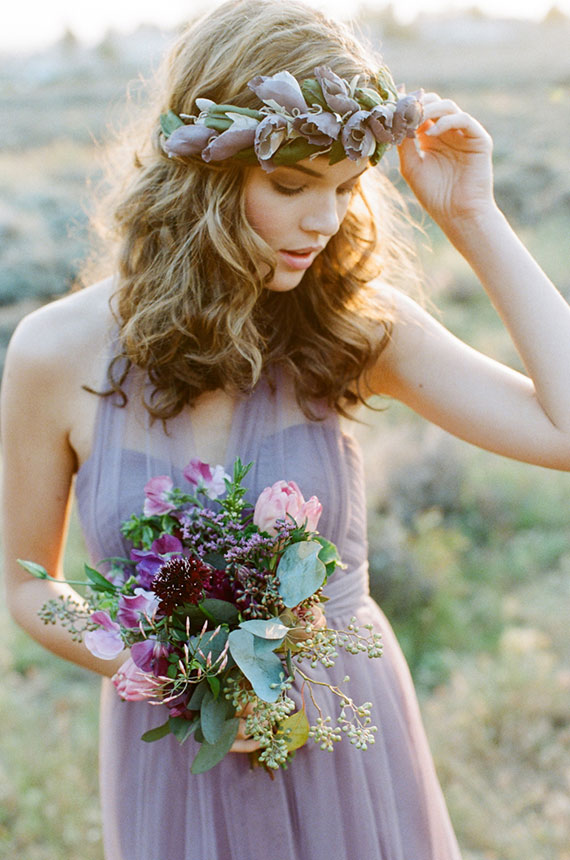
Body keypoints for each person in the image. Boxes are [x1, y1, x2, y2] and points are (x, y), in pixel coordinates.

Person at [2, 1, 570, 858]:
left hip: (347, 737)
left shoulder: (352, 327)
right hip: (180, 758)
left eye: (347, 188)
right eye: (294, 186)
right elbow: (27, 582)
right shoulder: (54, 351)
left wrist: (474, 219)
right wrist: (164, 664)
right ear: (202, 174)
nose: (325, 221)